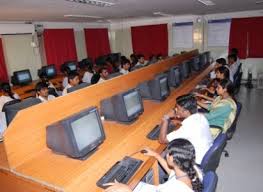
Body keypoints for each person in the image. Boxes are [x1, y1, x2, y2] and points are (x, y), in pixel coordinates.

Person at [104, 139, 203, 192]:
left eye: (168, 153)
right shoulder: (193, 169)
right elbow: (173, 174)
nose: (166, 154)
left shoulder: (173, 188)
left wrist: (127, 190)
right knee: (135, 184)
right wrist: (156, 155)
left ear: (172, 159)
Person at [159, 94, 213, 165]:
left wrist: (166, 118)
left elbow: (162, 140)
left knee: (164, 154)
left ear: (186, 111)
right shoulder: (201, 116)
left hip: (197, 160)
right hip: (207, 152)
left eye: (177, 108)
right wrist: (179, 121)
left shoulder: (187, 128)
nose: (175, 110)